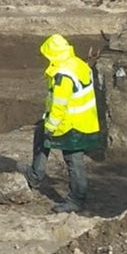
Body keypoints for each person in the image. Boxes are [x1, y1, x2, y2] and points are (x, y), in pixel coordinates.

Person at [26, 32, 102, 213]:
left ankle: (76, 199)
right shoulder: (78, 64)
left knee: (73, 161)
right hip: (83, 121)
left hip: (71, 125)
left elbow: (60, 104)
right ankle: (35, 174)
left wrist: (51, 126)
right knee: (41, 135)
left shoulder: (62, 76)